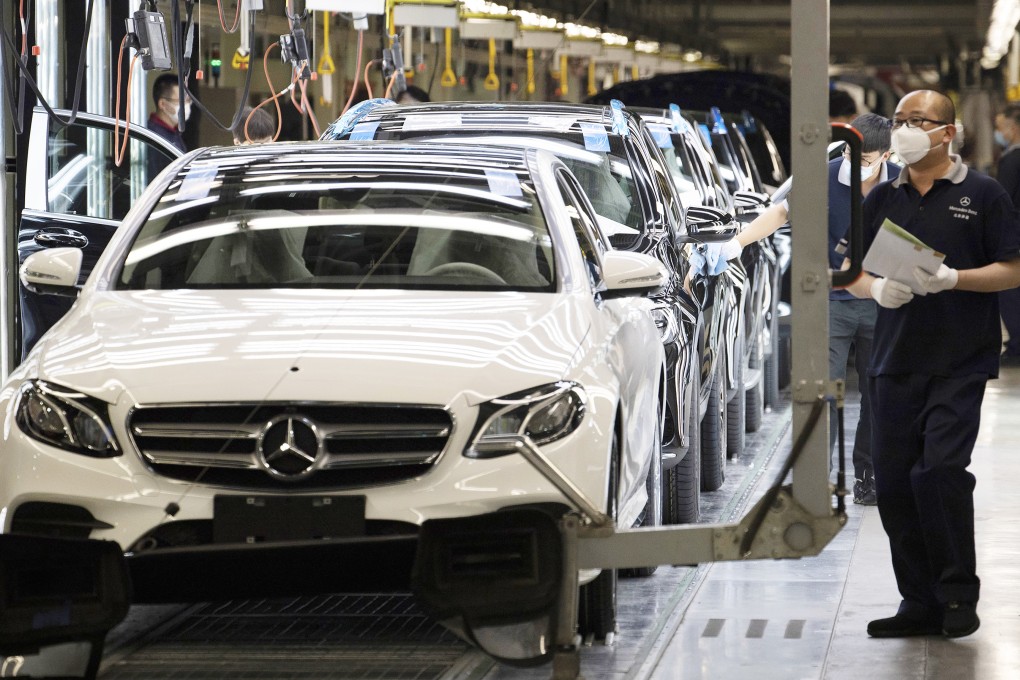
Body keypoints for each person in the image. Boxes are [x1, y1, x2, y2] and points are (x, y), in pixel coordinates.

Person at [846, 89, 1020, 639]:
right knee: (895, 483)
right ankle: (916, 602)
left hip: (960, 359)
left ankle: (955, 596)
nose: (904, 129)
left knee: (939, 472)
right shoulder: (879, 198)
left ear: (947, 132)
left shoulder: (983, 194)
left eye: (917, 120)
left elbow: (1013, 269)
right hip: (893, 359)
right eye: (899, 120)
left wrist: (955, 279)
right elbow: (850, 271)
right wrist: (875, 290)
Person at [721, 113, 898, 505]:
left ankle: (870, 475)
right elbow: (782, 212)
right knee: (822, 391)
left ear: (886, 154)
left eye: (866, 159)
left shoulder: (903, 181)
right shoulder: (824, 174)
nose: (857, 164)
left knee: (879, 395)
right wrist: (737, 242)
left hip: (883, 305)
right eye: (852, 155)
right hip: (831, 302)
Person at [994, 104, 1020, 364]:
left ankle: (1017, 344)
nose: (998, 133)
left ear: (1013, 129)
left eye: (1000, 127)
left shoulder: (1012, 160)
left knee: (1010, 289)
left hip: (1016, 235)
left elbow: (1004, 201)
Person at [147, 73, 191, 153]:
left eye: (188, 100)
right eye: (181, 100)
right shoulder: (152, 137)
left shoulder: (174, 133)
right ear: (163, 104)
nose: (186, 105)